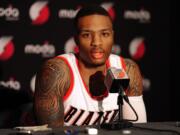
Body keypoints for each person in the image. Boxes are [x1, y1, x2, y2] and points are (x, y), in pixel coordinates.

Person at [34, 5, 147, 127]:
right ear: (76, 39)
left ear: (113, 36)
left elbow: (137, 129)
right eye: (87, 35)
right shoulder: (56, 71)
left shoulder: (128, 69)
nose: (96, 43)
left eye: (104, 34)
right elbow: (52, 133)